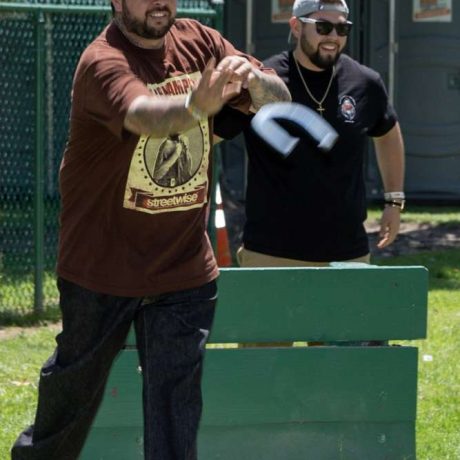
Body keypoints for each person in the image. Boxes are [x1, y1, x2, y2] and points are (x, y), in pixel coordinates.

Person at [11, 1, 290, 458]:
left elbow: (281, 102)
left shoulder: (200, 41)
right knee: (70, 401)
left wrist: (257, 80)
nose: (159, 1)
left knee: (175, 412)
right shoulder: (102, 61)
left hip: (183, 270)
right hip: (100, 269)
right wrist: (195, 105)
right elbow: (144, 116)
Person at [215, 0, 405, 270]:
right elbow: (211, 136)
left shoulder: (364, 82)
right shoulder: (265, 82)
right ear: (296, 27)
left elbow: (387, 131)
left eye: (342, 29)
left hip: (347, 254)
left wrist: (394, 201)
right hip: (272, 254)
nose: (333, 38)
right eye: (323, 27)